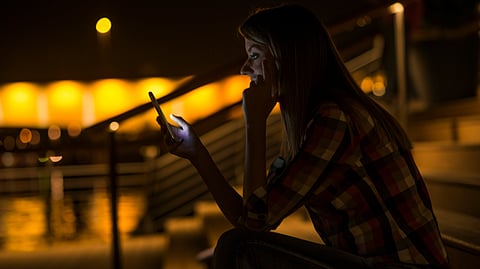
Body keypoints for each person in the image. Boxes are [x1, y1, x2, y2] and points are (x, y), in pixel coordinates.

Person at [157, 3, 449, 269]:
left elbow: (255, 224)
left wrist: (254, 123)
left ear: (287, 57)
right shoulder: (314, 122)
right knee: (235, 247)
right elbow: (252, 216)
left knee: (237, 247)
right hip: (369, 263)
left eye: (255, 56)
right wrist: (197, 154)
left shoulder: (335, 119)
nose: (246, 69)